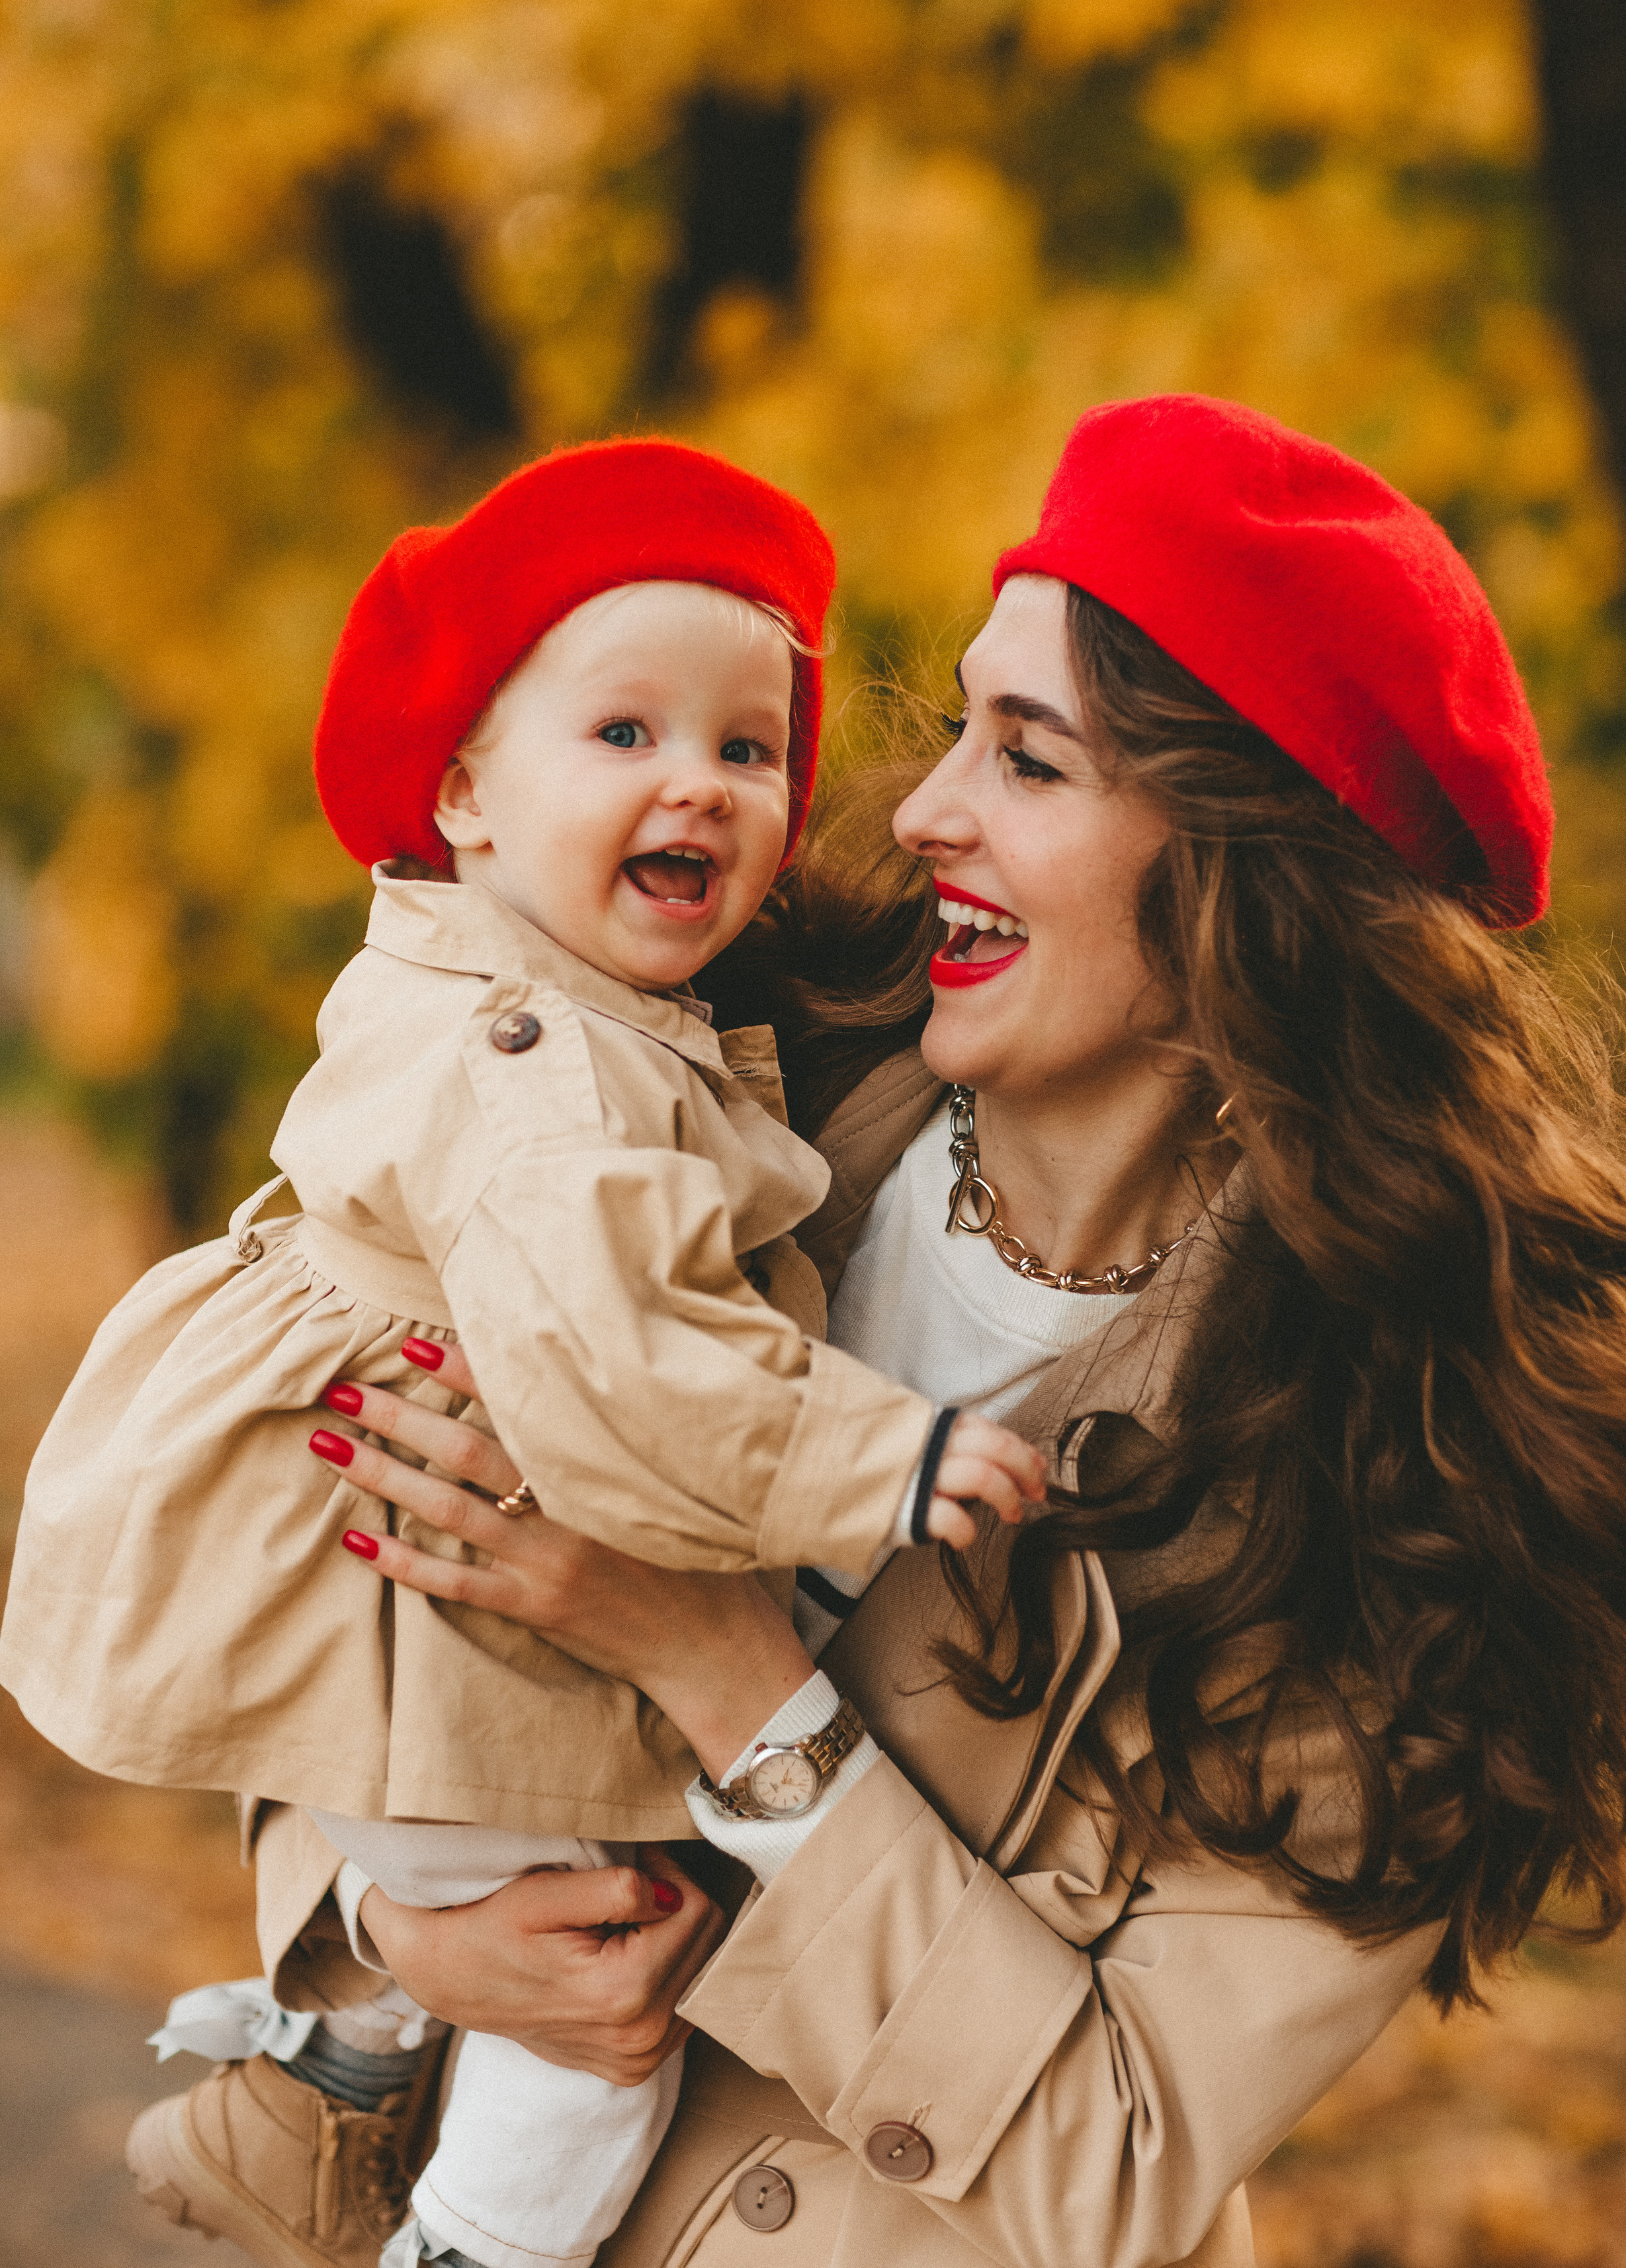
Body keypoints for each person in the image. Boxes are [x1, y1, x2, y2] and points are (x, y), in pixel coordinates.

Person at [236, 394, 1626, 2268]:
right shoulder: (677, 1117)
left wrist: (726, 1674)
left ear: (1251, 878)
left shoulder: (1405, 1473)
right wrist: (388, 1925)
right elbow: (307, 1609)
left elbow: (1124, 2163)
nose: (922, 811)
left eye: (1031, 762)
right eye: (954, 737)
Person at [0, 439, 1039, 2268]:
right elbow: (632, 1377)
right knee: (595, 2033)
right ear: (465, 792)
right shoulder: (549, 1073)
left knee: (505, 1917)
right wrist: (887, 1459)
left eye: (746, 750)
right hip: (430, 1624)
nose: (702, 789)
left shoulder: (546, 997)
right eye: (624, 736)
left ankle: (315, 2087)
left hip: (384, 1606)